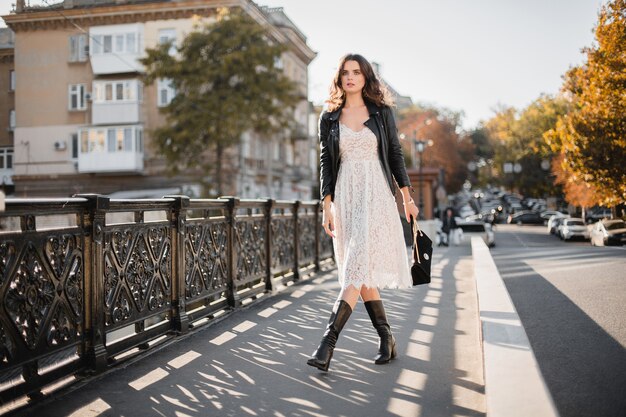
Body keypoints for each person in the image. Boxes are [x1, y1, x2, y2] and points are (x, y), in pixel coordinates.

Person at [307, 53, 419, 372]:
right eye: (346, 72)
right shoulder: (329, 117)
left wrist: (407, 198)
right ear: (339, 78)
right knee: (362, 271)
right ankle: (387, 338)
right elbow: (326, 163)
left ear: (366, 77)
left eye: (357, 72)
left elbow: (395, 154)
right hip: (346, 195)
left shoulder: (381, 113)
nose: (351, 77)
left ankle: (326, 345)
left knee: (356, 264)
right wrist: (326, 205)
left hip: (376, 194)